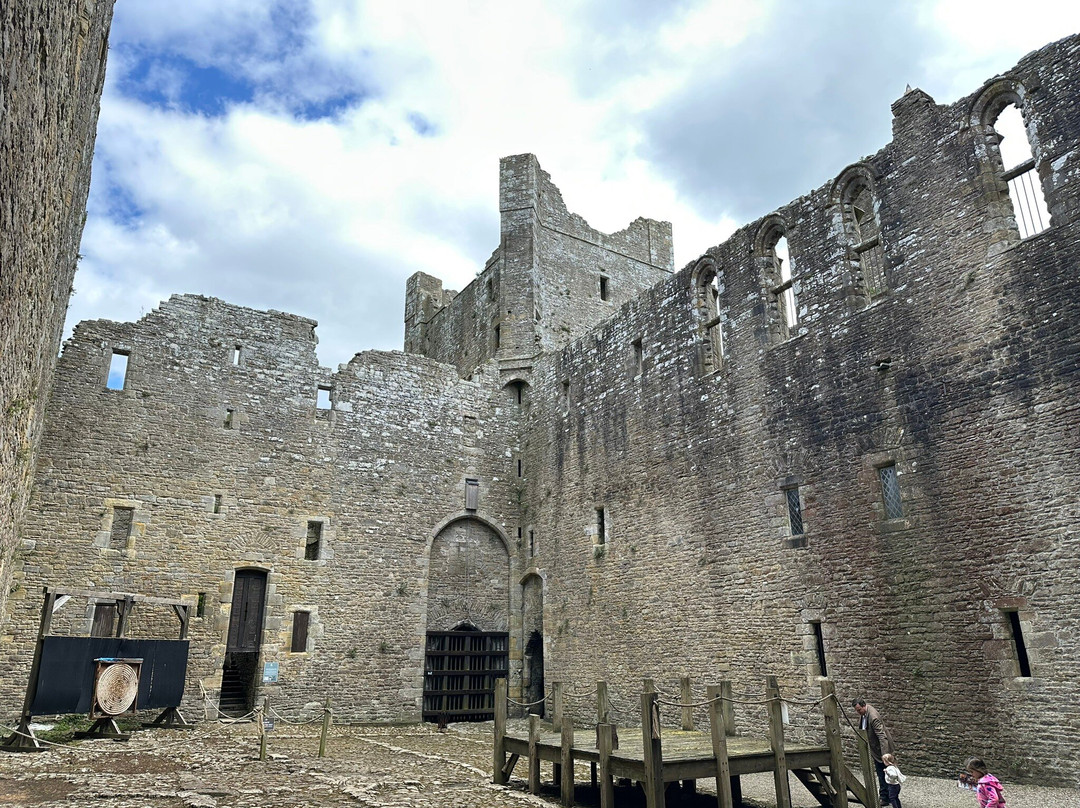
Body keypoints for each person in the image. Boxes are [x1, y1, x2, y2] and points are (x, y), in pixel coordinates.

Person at [852, 698, 895, 807]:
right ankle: (888, 796)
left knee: (883, 774)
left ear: (863, 706)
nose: (858, 712)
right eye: (857, 710)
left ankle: (885, 798)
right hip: (876, 749)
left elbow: (882, 736)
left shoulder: (873, 717)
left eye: (859, 710)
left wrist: (885, 755)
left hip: (882, 750)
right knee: (883, 773)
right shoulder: (864, 713)